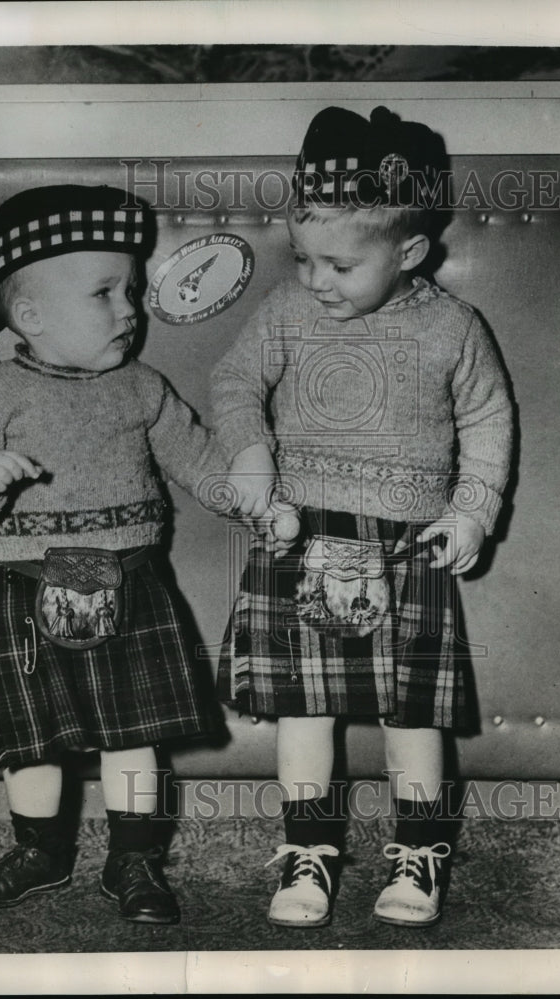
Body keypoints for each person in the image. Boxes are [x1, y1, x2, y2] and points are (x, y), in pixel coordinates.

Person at [211, 106, 513, 929]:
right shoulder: (285, 310)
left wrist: (472, 510)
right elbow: (234, 384)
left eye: (339, 265)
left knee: (412, 714)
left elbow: (487, 418)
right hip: (299, 536)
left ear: (407, 252)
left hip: (408, 546)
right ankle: (306, 853)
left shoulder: (453, 327)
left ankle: (419, 854)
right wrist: (250, 454)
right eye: (302, 258)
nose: (315, 280)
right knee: (302, 710)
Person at [0, 184, 225, 924]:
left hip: (132, 585)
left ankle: (136, 858)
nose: (130, 309)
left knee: (135, 738)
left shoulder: (143, 388)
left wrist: (256, 494)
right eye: (104, 293)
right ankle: (40, 851)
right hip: (26, 591)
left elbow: (200, 461)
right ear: (29, 317)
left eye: (132, 291)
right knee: (29, 742)